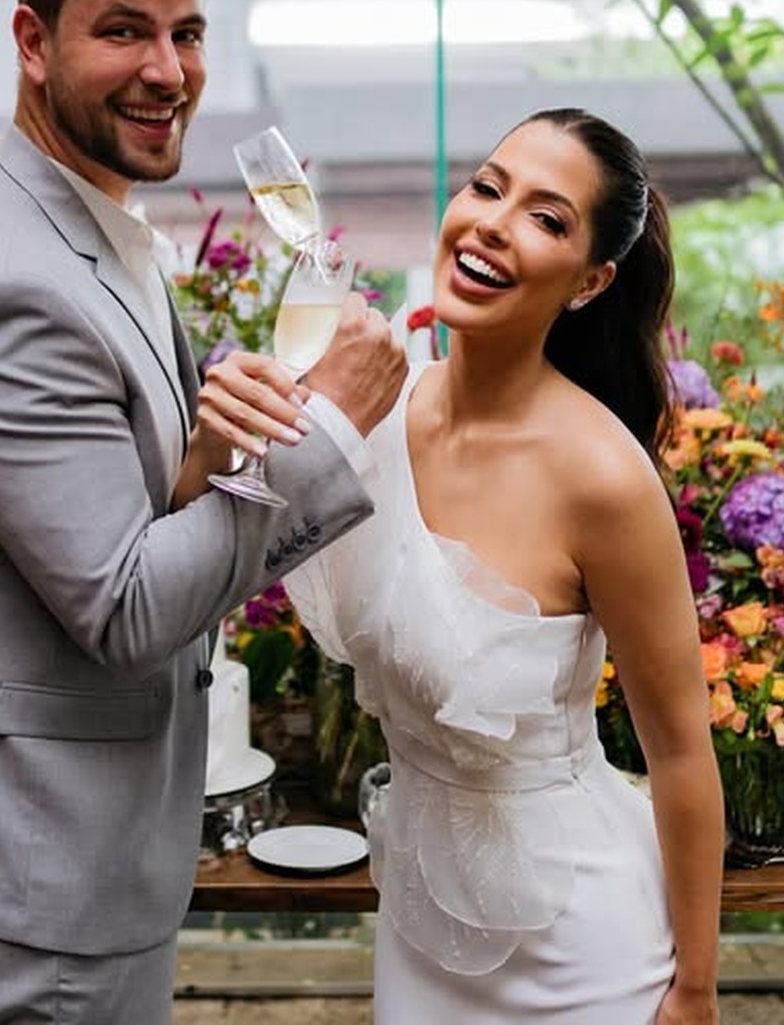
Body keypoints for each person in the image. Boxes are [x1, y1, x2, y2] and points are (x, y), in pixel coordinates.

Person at [0, 0, 406, 1023]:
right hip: (36, 854)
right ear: (32, 40)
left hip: (59, 815)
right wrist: (330, 430)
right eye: (124, 30)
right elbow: (126, 605)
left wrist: (215, 442)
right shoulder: (11, 283)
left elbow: (129, 505)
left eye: (186, 32)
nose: (170, 70)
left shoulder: (69, 202)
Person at [284, 108, 724, 1024]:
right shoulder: (381, 403)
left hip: (581, 947)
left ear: (592, 280)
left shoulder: (602, 477)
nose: (491, 220)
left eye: (547, 217)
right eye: (488, 186)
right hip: (420, 922)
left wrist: (696, 990)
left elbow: (681, 752)